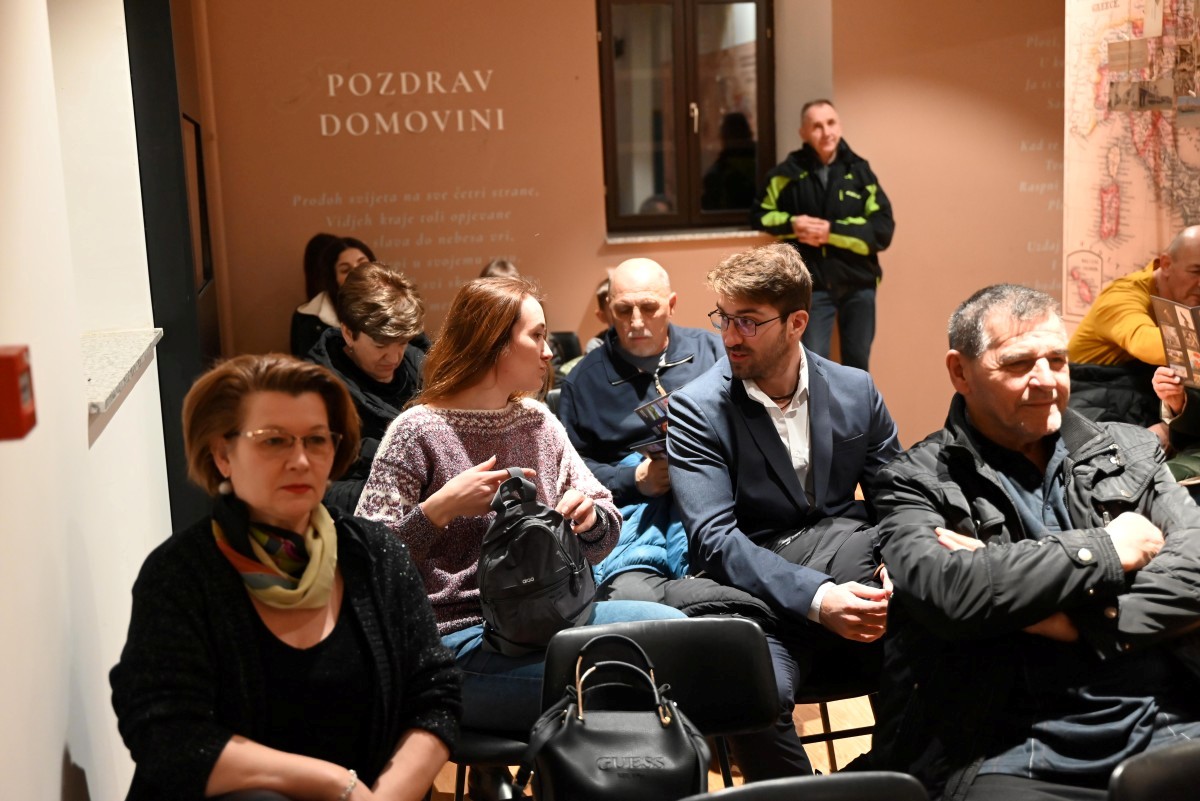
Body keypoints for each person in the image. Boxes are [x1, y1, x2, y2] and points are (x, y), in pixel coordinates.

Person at [355, 276, 685, 800]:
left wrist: (590, 518)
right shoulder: (417, 430)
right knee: (618, 686)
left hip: (557, 616)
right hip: (458, 640)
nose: (550, 351)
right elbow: (364, 565)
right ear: (494, 343)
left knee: (682, 643)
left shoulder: (537, 421)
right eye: (537, 336)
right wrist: (438, 510)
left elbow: (605, 521)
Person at [872, 284, 1200, 800]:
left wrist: (1075, 623)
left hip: (1164, 715)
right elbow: (950, 592)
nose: (1047, 379)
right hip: (1010, 743)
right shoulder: (914, 480)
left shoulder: (1130, 450)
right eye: (1019, 363)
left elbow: (1196, 570)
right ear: (960, 372)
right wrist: (1108, 548)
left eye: (1057, 360)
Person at [110, 354, 460, 801]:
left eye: (316, 440)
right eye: (273, 441)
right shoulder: (180, 574)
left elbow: (435, 695)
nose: (300, 460)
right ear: (222, 454)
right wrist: (335, 783)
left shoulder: (376, 555)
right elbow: (165, 734)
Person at [667, 243, 903, 781]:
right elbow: (715, 541)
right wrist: (819, 598)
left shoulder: (855, 389)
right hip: (762, 598)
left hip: (857, 581)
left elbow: (897, 499)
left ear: (797, 322)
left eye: (748, 322)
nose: (729, 336)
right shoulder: (697, 408)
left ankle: (870, 785)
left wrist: (898, 559)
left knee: (935, 653)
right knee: (752, 698)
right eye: (724, 318)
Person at [558, 258, 739, 602]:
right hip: (633, 511)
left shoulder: (714, 353)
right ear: (608, 310)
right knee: (632, 593)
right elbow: (569, 468)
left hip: (713, 495)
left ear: (671, 304)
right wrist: (634, 479)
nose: (636, 321)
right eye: (624, 310)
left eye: (649, 307)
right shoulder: (583, 381)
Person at [751, 99, 894, 371]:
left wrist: (831, 232)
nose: (826, 132)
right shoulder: (787, 174)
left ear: (839, 126)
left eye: (831, 123)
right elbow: (760, 215)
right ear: (803, 133)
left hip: (859, 284)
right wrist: (792, 224)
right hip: (811, 286)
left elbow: (882, 231)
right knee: (813, 365)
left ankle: (856, 403)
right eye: (817, 126)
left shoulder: (860, 172)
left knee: (858, 366)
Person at [307, 262, 426, 514]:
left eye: (402, 342)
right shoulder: (317, 394)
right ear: (348, 333)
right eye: (380, 345)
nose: (394, 357)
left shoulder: (422, 365)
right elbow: (317, 489)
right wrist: (401, 489)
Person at [1068, 226, 1200, 436]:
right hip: (1093, 402)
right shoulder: (1121, 295)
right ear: (1166, 264)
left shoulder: (1186, 298)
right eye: (1196, 271)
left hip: (1144, 402)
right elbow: (1144, 343)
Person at [291, 236, 375, 358]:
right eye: (345, 270)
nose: (357, 272)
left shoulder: (396, 305)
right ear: (333, 279)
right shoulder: (310, 319)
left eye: (363, 264)